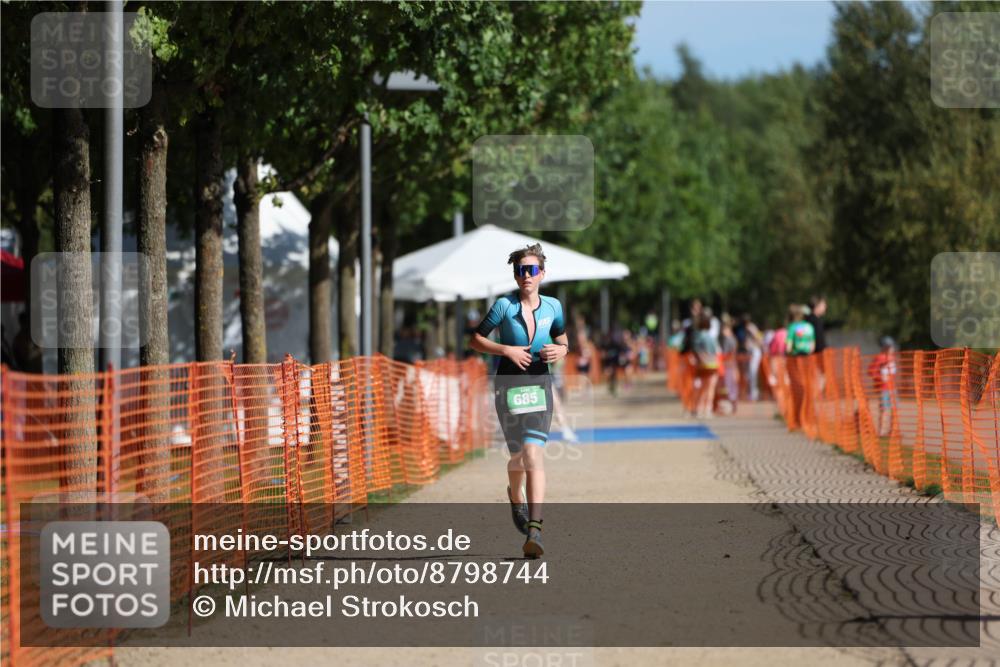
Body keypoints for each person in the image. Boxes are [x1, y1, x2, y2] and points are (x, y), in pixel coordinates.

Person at [470, 243, 568, 558]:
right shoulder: (503, 306)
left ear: (542, 273)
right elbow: (476, 339)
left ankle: (534, 530)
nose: (526, 275)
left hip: (540, 385)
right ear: (515, 275)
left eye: (532, 269)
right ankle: (516, 497)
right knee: (517, 458)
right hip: (508, 387)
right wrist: (506, 350)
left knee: (533, 455)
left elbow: (563, 340)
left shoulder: (554, 306)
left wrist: (561, 350)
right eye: (521, 270)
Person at [868, 336, 897, 437]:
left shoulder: (892, 357)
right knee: (884, 409)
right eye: (890, 347)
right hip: (883, 388)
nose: (892, 349)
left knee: (894, 409)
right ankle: (882, 431)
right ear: (885, 347)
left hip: (892, 388)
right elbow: (871, 372)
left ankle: (892, 431)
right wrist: (880, 378)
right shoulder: (880, 358)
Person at [692, 313, 720, 419]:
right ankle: (707, 409)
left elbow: (696, 349)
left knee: (701, 388)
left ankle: (699, 409)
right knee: (710, 388)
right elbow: (716, 350)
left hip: (702, 364)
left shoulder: (697, 335)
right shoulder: (711, 336)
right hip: (712, 364)